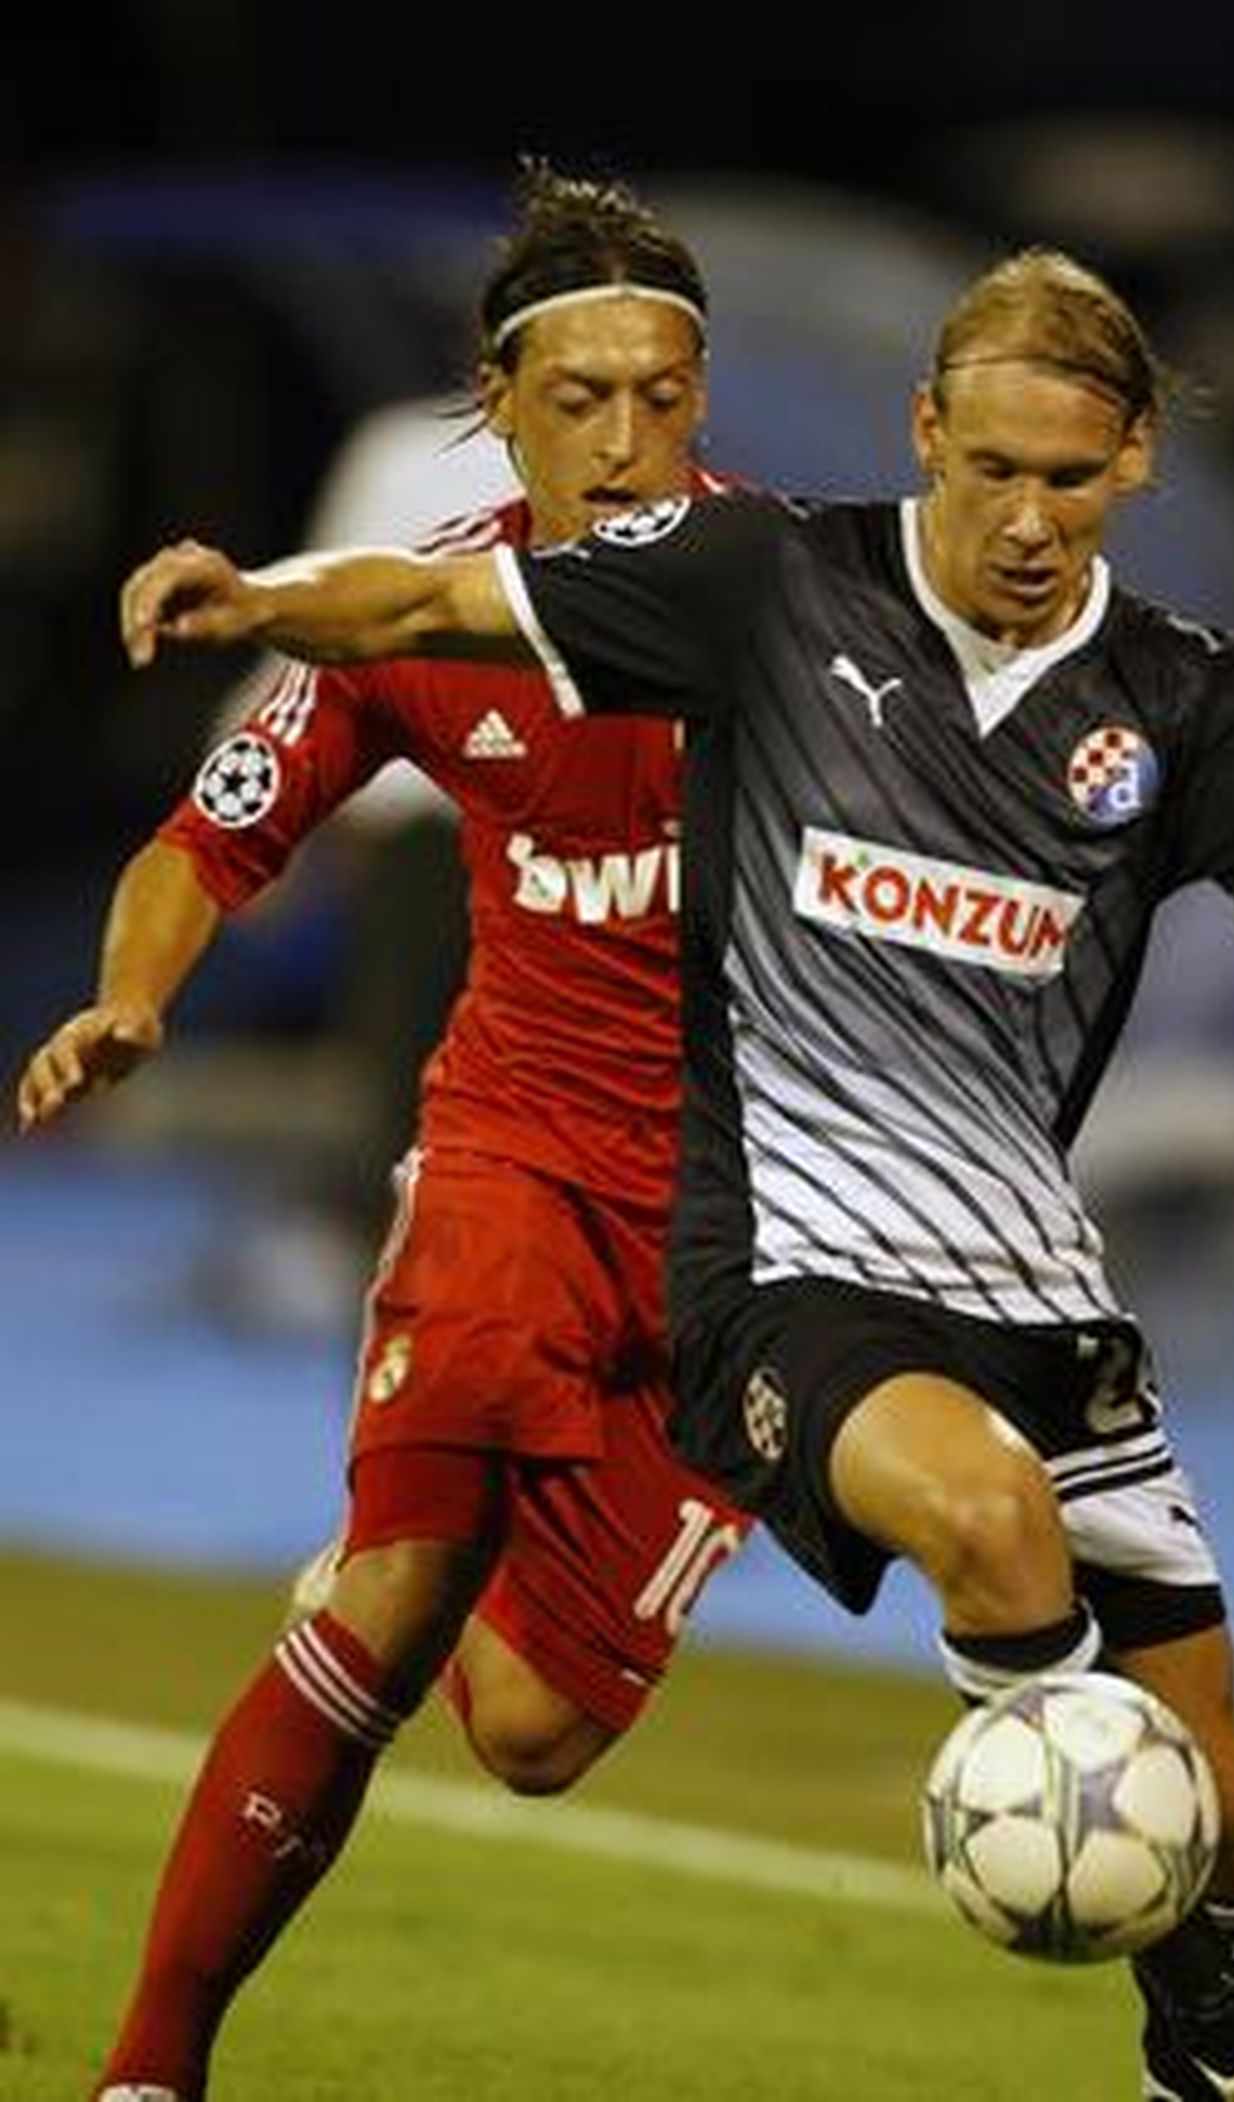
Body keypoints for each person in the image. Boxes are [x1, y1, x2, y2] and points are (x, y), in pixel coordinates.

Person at [116, 245, 1234, 2102]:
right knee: (984, 1528)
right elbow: (432, 601)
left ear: (1135, 462)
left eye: (1068, 476)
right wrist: (264, 598)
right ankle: (1023, 1794)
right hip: (773, 1268)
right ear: (925, 437)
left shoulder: (1179, 699)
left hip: (1031, 1283)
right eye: (991, 469)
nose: (1028, 518)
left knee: (1210, 1809)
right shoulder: (771, 583)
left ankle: (1227, 2052)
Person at [18, 162, 752, 2102]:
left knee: (524, 1727)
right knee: (404, 1595)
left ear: (704, 401)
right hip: (512, 1158)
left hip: (741, 1235)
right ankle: (147, 2073)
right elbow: (212, 829)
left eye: (659, 396)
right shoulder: (421, 609)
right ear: (501, 410)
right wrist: (136, 997)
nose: (622, 441)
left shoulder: (803, 604)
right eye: (576, 400)